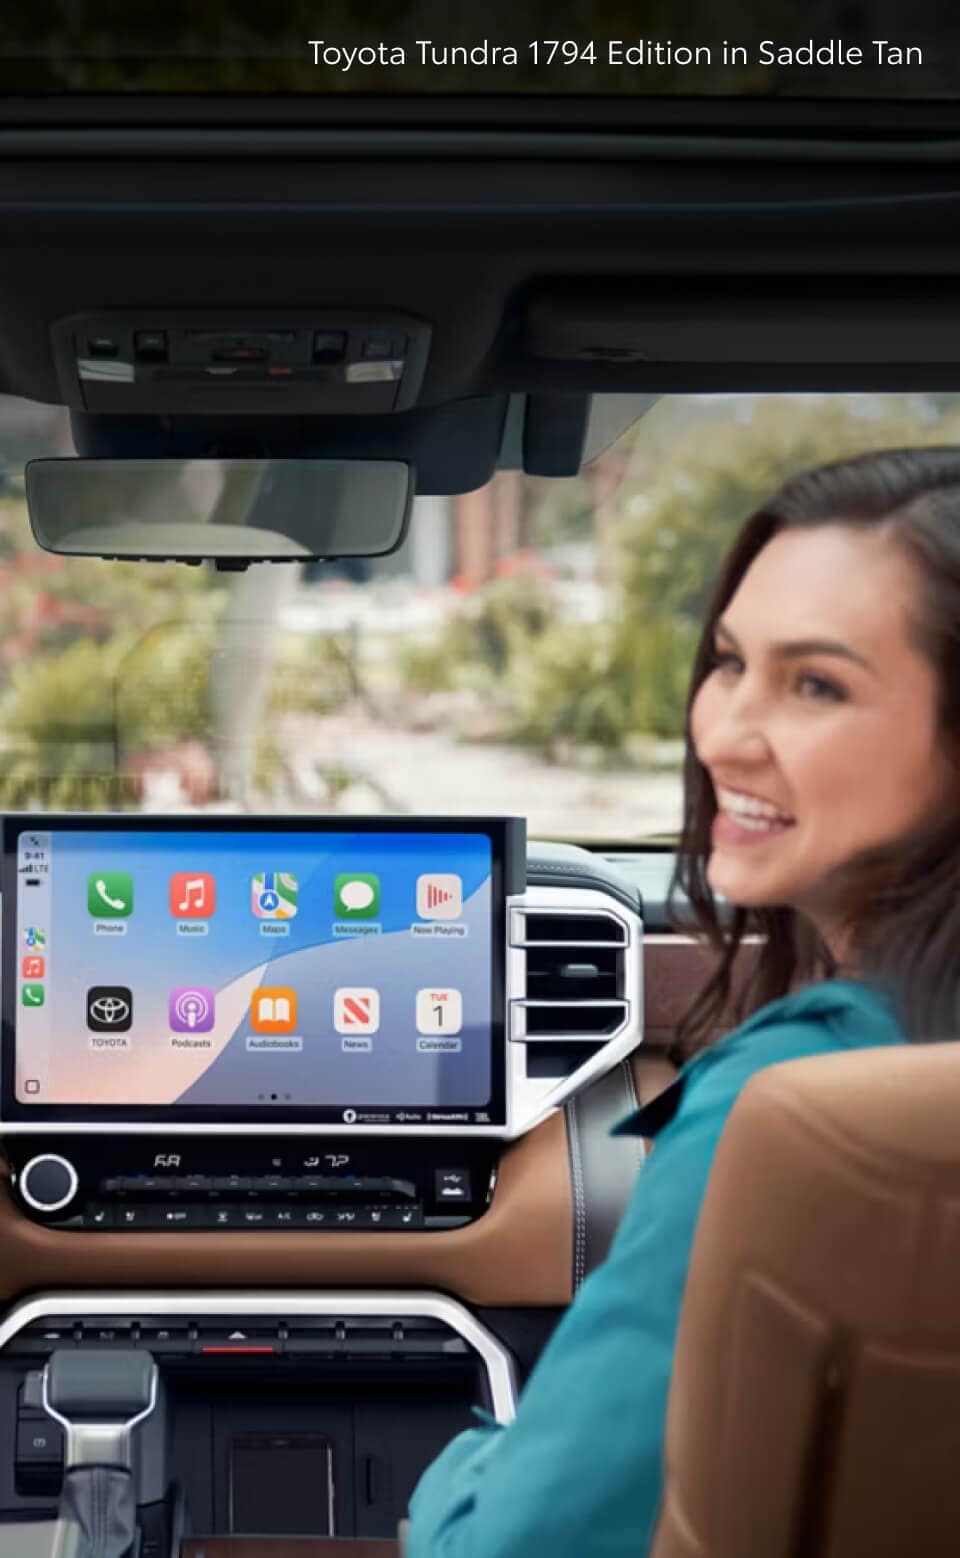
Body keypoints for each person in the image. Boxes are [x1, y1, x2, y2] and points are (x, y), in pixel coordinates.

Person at [406, 447, 960, 1557]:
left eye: (817, 685)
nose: (723, 734)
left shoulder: (793, 1106)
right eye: (730, 663)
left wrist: (457, 1470)